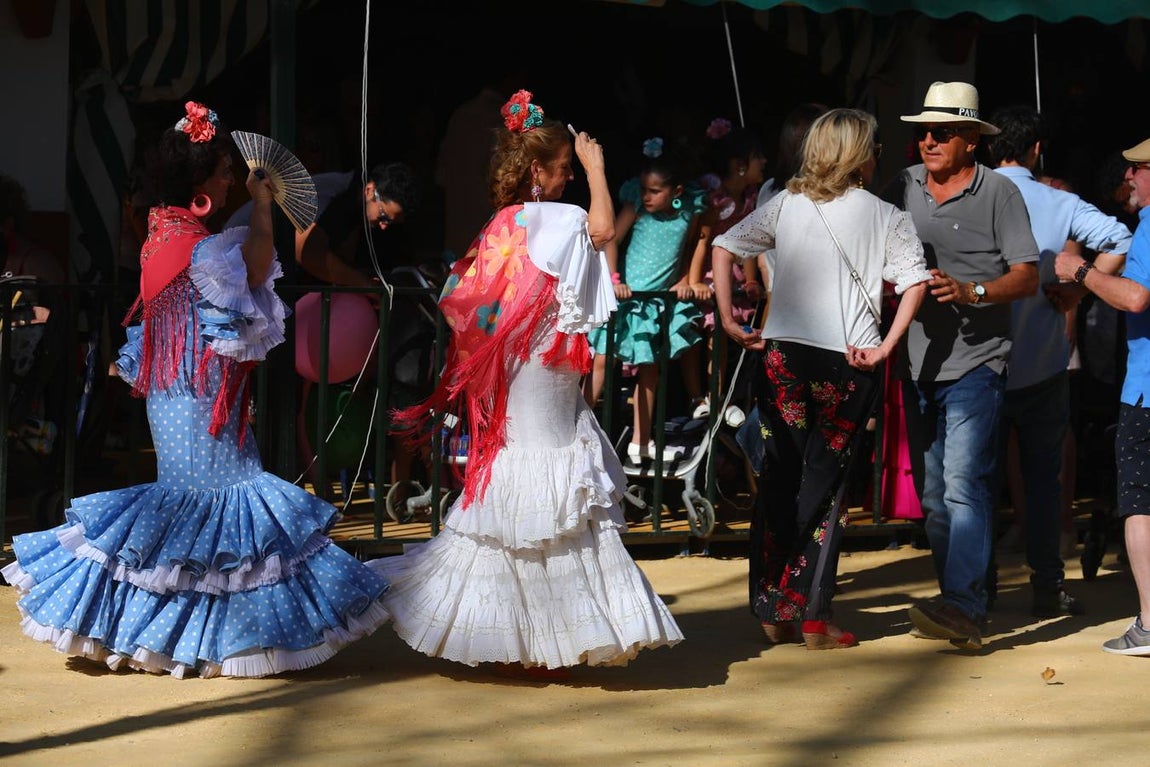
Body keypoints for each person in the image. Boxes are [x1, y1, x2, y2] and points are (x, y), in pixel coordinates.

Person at [0, 101, 391, 678]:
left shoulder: (160, 234)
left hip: (177, 389)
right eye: (224, 170)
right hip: (200, 388)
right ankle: (214, 638)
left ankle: (170, 634)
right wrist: (261, 207)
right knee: (218, 497)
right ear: (201, 182)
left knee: (187, 504)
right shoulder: (203, 247)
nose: (233, 176)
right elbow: (258, 267)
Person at [366, 90, 683, 677]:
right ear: (537, 170)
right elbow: (605, 229)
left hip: (520, 364)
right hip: (545, 365)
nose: (567, 177)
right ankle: (548, 632)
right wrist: (597, 171)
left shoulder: (501, 224)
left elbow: (472, 303)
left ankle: (526, 631)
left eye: (571, 169)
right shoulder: (561, 217)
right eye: (562, 168)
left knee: (524, 482)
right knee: (553, 480)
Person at [712, 108, 930, 649]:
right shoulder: (887, 215)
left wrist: (727, 317)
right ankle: (813, 614)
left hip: (783, 356)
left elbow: (724, 247)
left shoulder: (784, 203)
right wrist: (885, 345)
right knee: (826, 487)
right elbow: (914, 283)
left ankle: (772, 608)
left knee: (779, 480)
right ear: (864, 153)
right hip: (849, 361)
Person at [882, 81, 1040, 650]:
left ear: (972, 139)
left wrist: (973, 291)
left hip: (977, 361)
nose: (927, 140)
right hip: (915, 361)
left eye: (941, 131)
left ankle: (965, 605)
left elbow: (1028, 275)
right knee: (933, 496)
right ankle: (967, 595)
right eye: (922, 131)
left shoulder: (999, 192)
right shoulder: (899, 187)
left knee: (961, 487)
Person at [983, 104, 1132, 618]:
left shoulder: (968, 194)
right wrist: (1076, 291)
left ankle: (977, 591)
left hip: (978, 363)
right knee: (1045, 484)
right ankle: (1046, 587)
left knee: (975, 483)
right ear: (1036, 149)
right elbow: (1120, 238)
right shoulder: (1055, 199)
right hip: (1043, 360)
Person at [1053, 136, 1150, 655]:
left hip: (1148, 392)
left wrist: (1080, 272)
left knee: (1140, 504)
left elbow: (1135, 297)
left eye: (1138, 169)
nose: (1129, 179)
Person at [583, 137, 709, 463]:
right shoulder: (636, 206)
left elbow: (695, 243)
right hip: (629, 299)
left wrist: (685, 279)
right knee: (602, 361)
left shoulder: (689, 212)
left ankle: (641, 441)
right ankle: (575, 431)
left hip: (655, 303)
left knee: (651, 370)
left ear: (677, 192)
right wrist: (615, 280)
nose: (646, 196)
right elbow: (612, 237)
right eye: (644, 189)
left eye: (655, 191)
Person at [692, 117, 768, 420]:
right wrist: (694, 278)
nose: (764, 161)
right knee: (712, 336)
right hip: (709, 274)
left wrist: (751, 279)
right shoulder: (715, 194)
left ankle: (721, 396)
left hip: (733, 277)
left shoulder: (750, 198)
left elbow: (746, 243)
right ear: (739, 164)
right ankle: (706, 397)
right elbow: (702, 238)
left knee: (725, 339)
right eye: (757, 157)